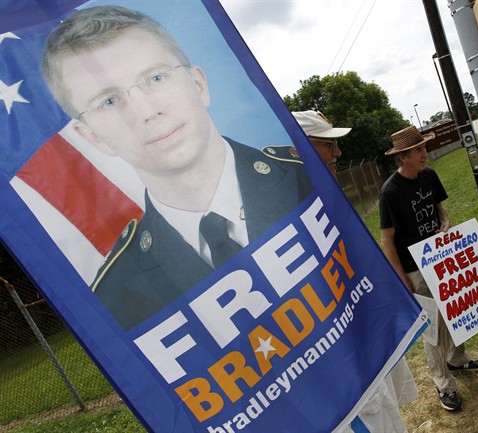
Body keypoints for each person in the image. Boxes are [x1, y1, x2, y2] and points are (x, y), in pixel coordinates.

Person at [40, 6, 312, 330]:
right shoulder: (115, 296)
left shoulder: (307, 175)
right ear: (94, 137)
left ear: (198, 85)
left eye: (155, 78)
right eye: (108, 101)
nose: (145, 111)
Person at [293, 110, 417, 433]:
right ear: (299, 148)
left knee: (385, 412)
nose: (338, 153)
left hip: (364, 337)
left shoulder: (328, 197)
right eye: (328, 145)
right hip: (338, 354)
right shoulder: (290, 212)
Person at [379, 125, 478, 412]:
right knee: (434, 328)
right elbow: (387, 240)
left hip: (441, 258)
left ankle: (458, 359)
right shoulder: (390, 191)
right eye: (418, 150)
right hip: (414, 268)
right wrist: (404, 281)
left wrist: (445, 221)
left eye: (424, 148)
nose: (424, 154)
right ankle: (444, 385)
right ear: (403, 156)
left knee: (456, 311)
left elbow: (438, 206)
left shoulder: (429, 176)